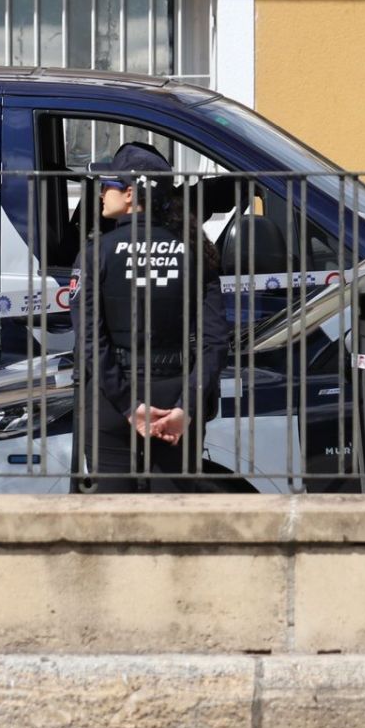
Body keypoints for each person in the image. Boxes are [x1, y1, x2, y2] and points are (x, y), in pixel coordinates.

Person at [69, 141, 231, 492]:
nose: (101, 194)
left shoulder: (98, 253)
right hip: (175, 396)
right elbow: (215, 341)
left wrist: (130, 406)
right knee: (172, 520)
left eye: (107, 186)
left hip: (113, 401)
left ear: (130, 194)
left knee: (111, 522)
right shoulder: (196, 250)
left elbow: (90, 340)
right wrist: (186, 407)